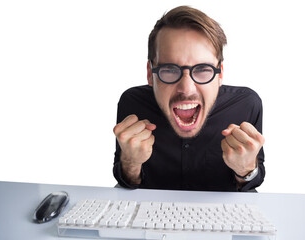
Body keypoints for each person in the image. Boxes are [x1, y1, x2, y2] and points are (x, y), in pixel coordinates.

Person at [113, 6, 265, 192]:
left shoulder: (245, 104)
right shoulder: (133, 103)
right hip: (148, 217)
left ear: (220, 74)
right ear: (149, 73)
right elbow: (125, 180)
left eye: (202, 69)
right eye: (169, 69)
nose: (186, 89)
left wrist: (246, 168)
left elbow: (253, 182)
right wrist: (131, 163)